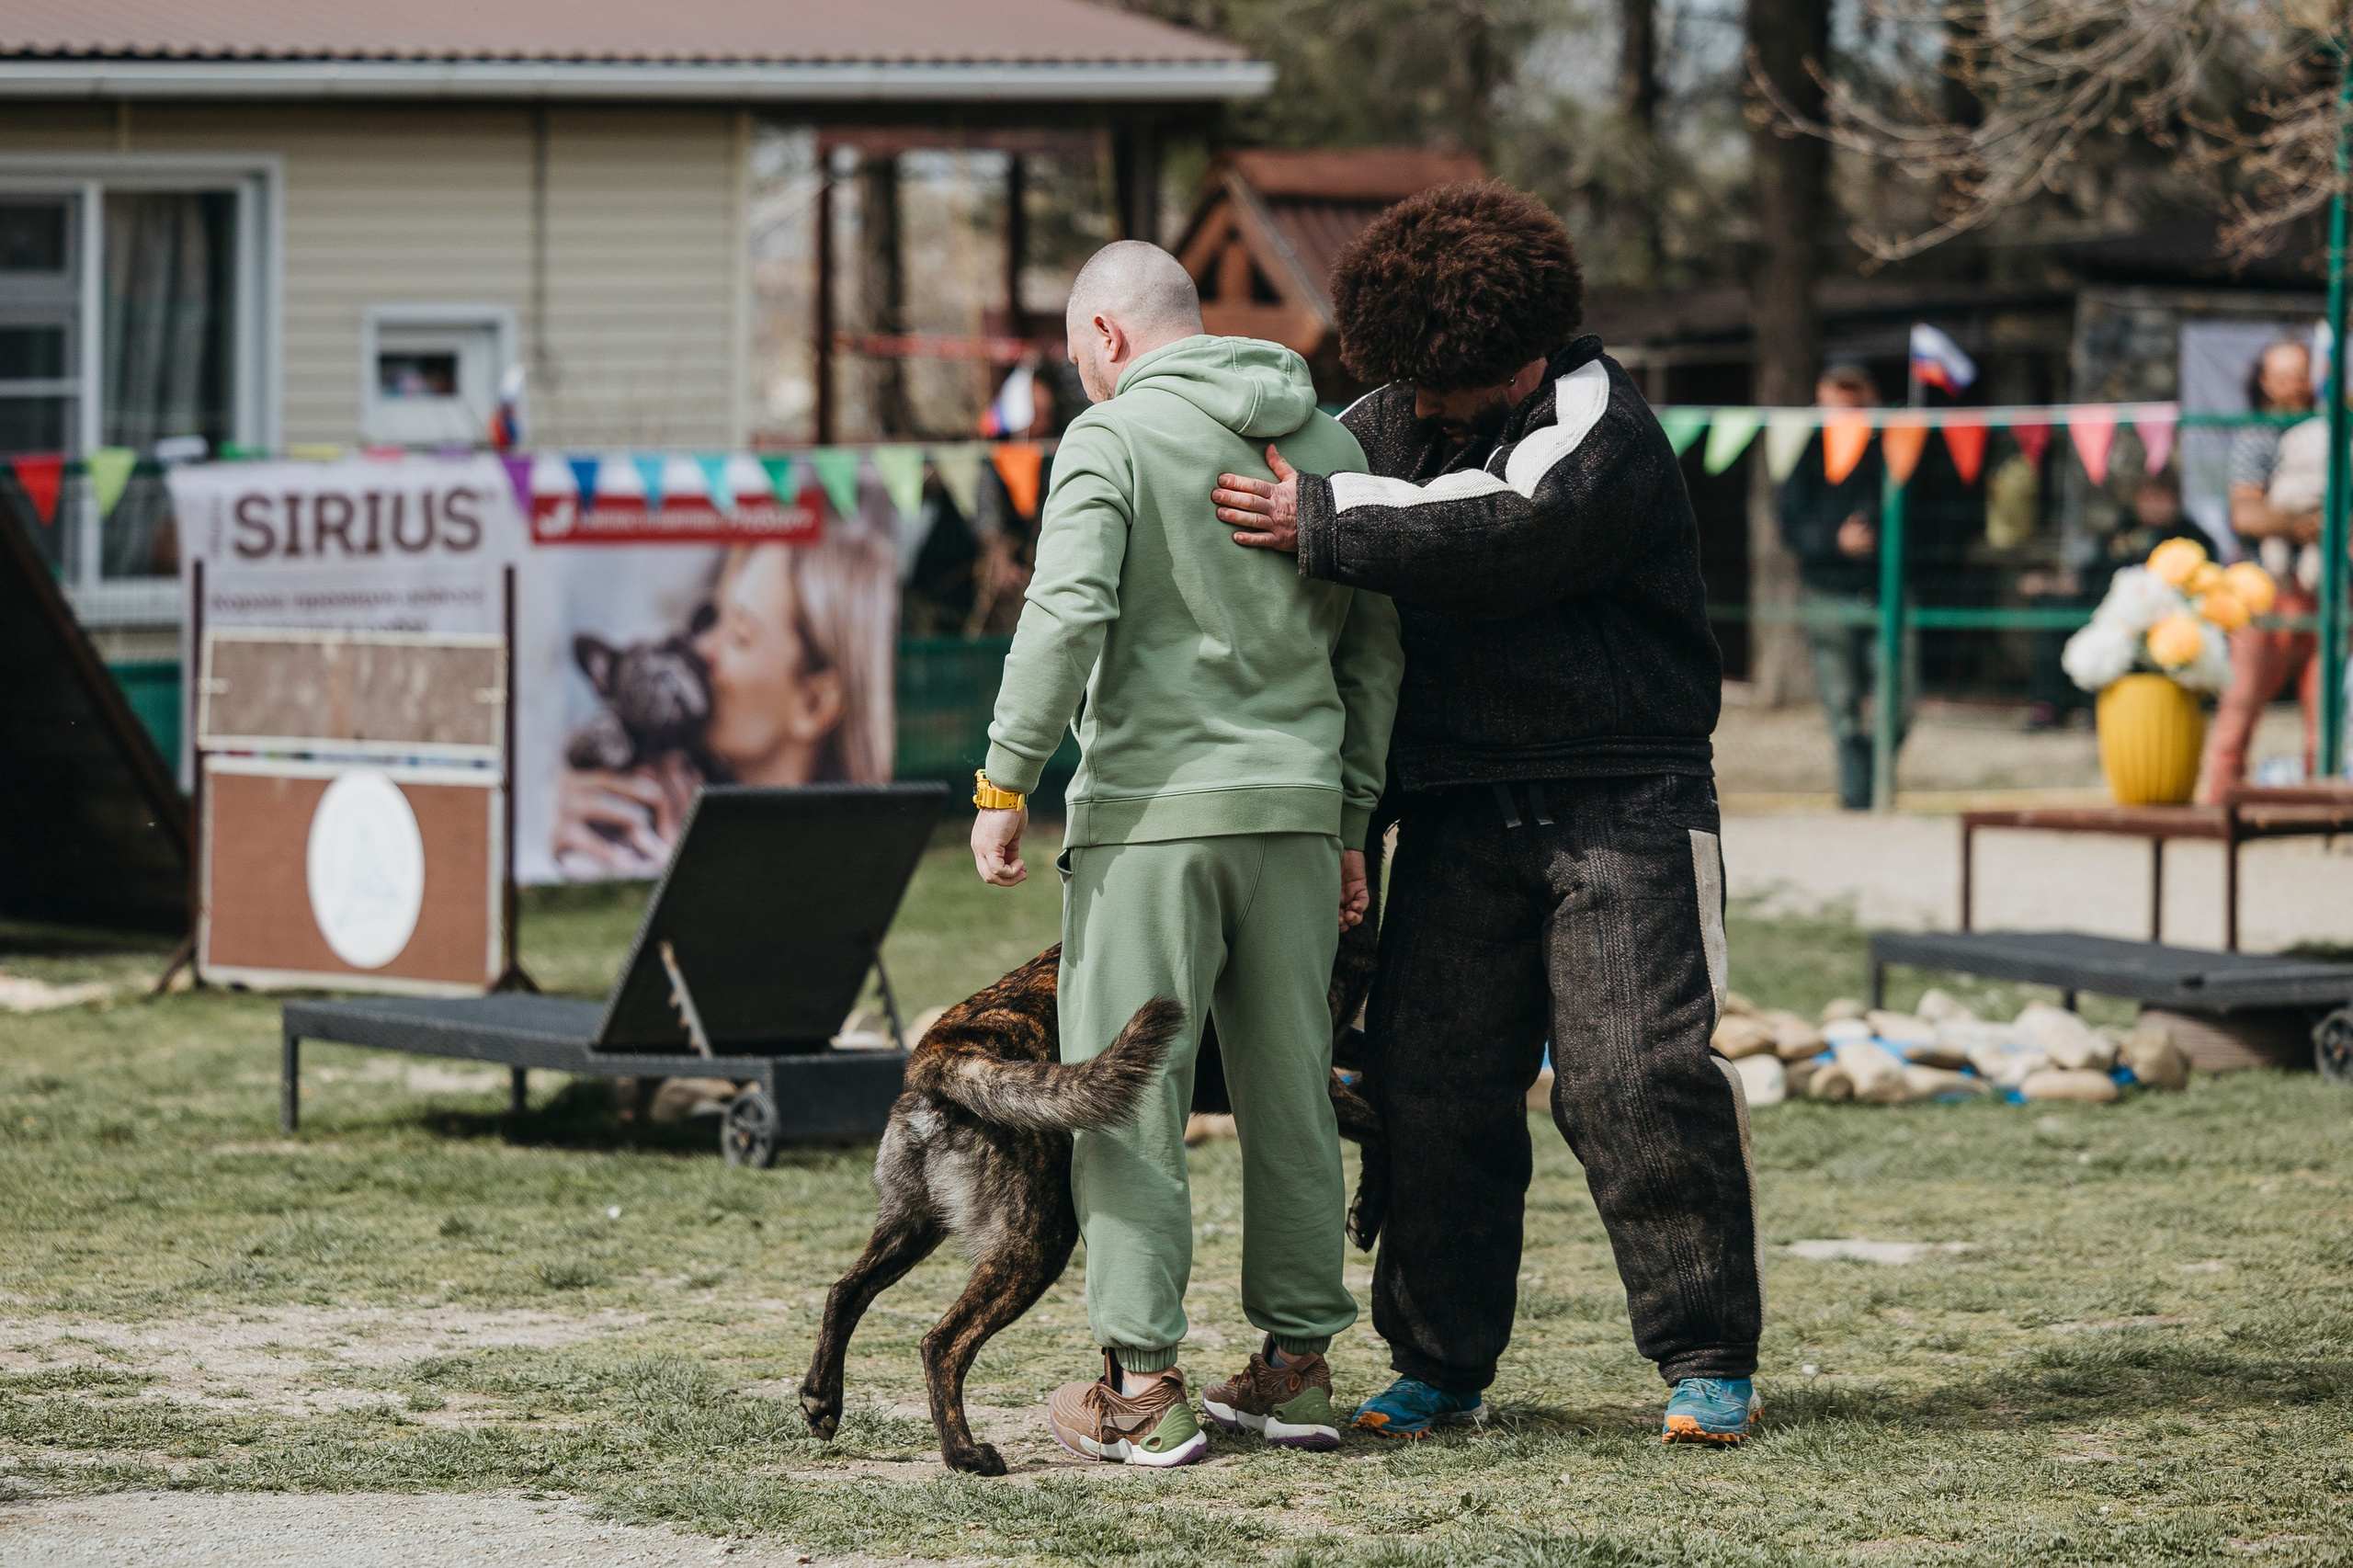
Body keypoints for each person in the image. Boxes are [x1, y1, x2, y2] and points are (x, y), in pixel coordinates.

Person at [1210, 182, 1764, 1446]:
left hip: (1626, 799)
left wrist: (1319, 517)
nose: (1414, 407)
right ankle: (1439, 1365)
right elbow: (1297, 455)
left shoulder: (1599, 426)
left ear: (1515, 359)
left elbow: (1511, 523)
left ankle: (1707, 1356)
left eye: (1437, 384)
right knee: (1434, 1089)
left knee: (1635, 1082)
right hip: (1454, 811)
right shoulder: (1389, 414)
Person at [970, 241, 1403, 1466]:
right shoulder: (1330, 449)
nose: (1081, 383)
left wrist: (1007, 775)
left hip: (1154, 818)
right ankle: (1298, 1367)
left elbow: (1064, 615)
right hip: (1299, 817)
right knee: (1292, 1092)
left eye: (1075, 360)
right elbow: (1375, 656)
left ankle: (1141, 1382)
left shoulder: (1111, 440)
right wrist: (1352, 819)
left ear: (1106, 337)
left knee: (1130, 1095)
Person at [551, 527, 898, 873]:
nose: (702, 649)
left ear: (814, 704)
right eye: (716, 620)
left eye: (740, 637)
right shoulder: (656, 786)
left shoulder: (828, 875)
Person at [1775, 362, 1908, 809]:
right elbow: (1789, 524)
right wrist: (1836, 539)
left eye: (1857, 390)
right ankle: (1858, 798)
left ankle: (1874, 785)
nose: (1848, 400)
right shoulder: (1805, 445)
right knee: (1843, 704)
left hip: (1889, 593)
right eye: (1840, 390)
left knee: (1902, 702)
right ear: (1822, 393)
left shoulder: (1898, 439)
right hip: (1827, 591)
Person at [2200, 336, 2322, 801]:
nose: (2296, 384)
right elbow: (2245, 514)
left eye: (2302, 372)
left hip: (2324, 589)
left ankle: (2322, 801)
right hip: (2263, 590)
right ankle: (2222, 796)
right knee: (2244, 697)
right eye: (2285, 375)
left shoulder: (2332, 431)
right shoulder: (2256, 437)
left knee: (2325, 707)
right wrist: (2304, 525)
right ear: (2265, 383)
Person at [2022, 471, 2207, 730]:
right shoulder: (2122, 530)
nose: (2154, 503)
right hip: (2097, 606)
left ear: (2176, 500)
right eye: (2148, 495)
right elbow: (2087, 575)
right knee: (2053, 611)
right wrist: (2048, 583)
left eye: (2161, 496)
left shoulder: (2191, 539)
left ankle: (2098, 707)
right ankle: (2050, 705)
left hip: (2152, 617)